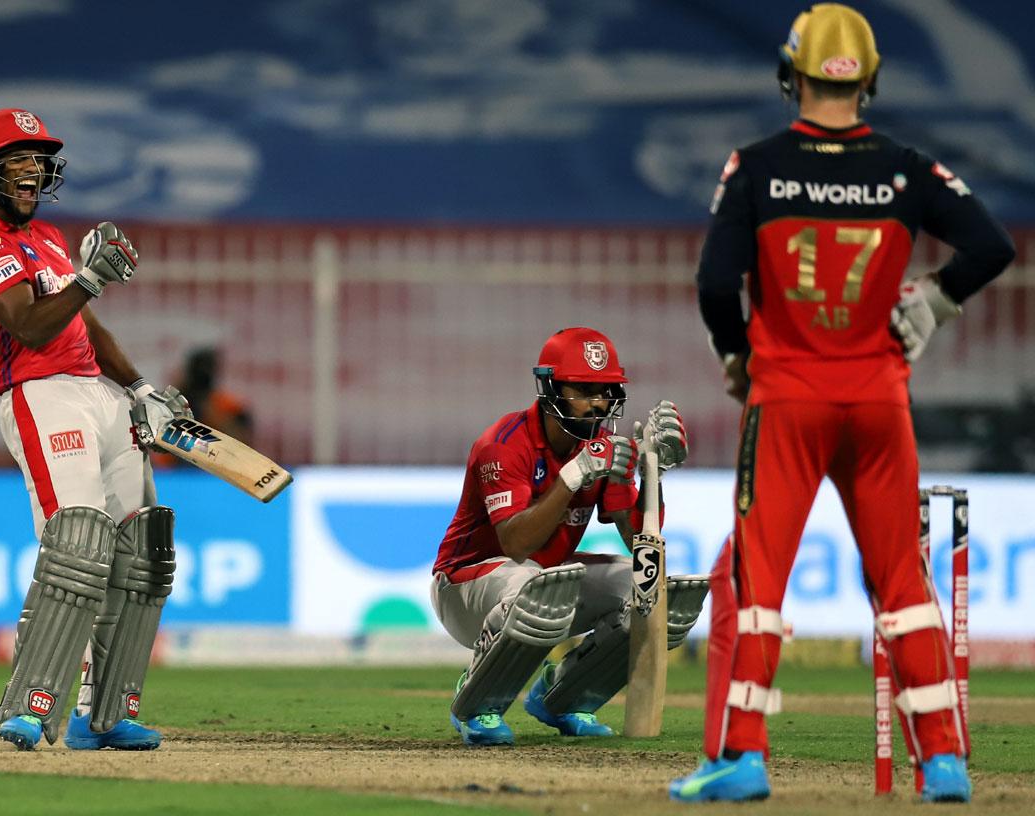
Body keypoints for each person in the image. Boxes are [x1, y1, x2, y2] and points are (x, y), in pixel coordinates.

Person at [671, 4, 1015, 803]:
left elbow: (716, 284)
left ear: (789, 74)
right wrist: (932, 303)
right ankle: (944, 763)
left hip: (787, 397)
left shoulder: (756, 167)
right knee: (902, 578)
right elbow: (992, 246)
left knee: (760, 580)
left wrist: (736, 355)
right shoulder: (904, 168)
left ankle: (743, 756)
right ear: (870, 78)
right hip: (878, 398)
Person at [0, 108, 194, 751]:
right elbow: (30, 326)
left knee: (138, 550)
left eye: (39, 157)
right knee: (78, 545)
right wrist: (89, 280)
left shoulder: (52, 238)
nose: (32, 167)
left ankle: (106, 714)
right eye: (17, 156)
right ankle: (33, 707)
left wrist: (138, 387)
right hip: (41, 395)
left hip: (98, 393)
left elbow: (80, 327)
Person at [430, 326, 708, 746]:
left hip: (542, 579)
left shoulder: (603, 443)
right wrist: (573, 475)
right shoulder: (504, 444)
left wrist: (652, 477)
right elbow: (517, 545)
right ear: (551, 390)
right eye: (584, 389)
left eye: (606, 390)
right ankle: (476, 702)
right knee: (531, 584)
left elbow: (640, 545)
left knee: (652, 594)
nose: (598, 402)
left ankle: (566, 697)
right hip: (465, 586)